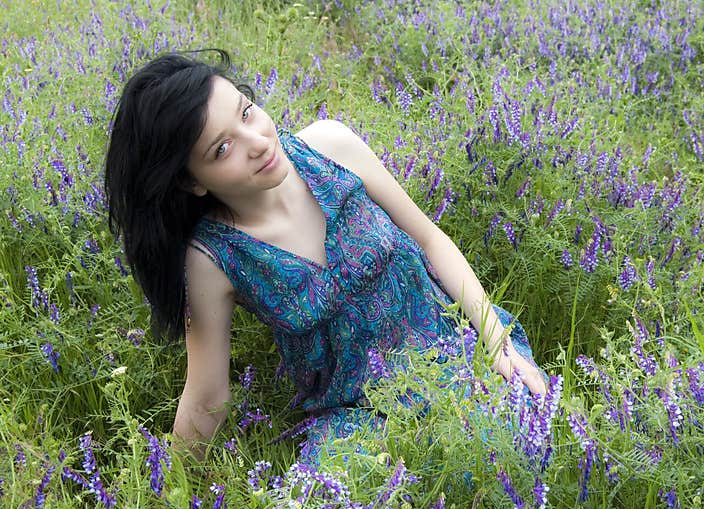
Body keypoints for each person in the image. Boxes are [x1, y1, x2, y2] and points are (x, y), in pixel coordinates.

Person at [104, 48, 548, 464]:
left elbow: (430, 239)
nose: (256, 141)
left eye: (246, 112)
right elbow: (206, 399)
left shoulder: (330, 146)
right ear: (192, 182)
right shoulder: (213, 258)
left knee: (520, 442)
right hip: (360, 415)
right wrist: (164, 501)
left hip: (454, 350)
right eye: (222, 149)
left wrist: (497, 341)